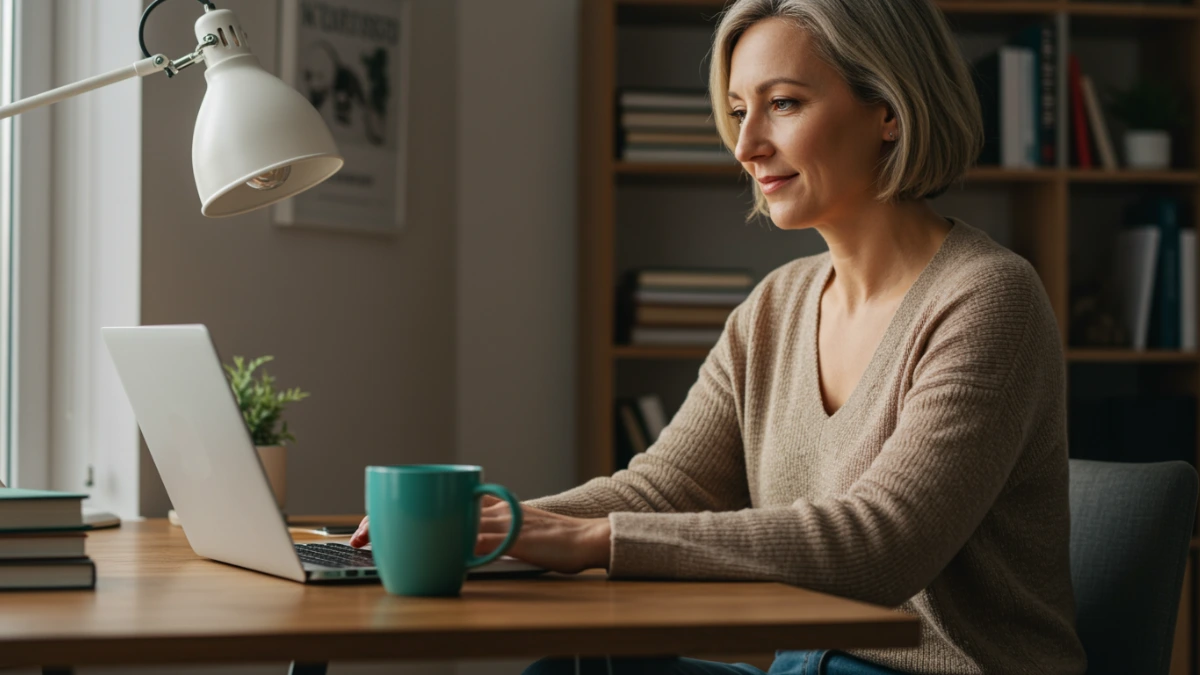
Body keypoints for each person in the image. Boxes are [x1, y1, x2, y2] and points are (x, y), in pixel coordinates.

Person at [353, 0, 1088, 672]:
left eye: (784, 105)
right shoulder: (776, 306)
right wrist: (493, 526)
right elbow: (664, 487)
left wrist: (592, 542)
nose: (746, 146)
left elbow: (881, 547)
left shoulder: (989, 299)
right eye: (739, 110)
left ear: (888, 110)